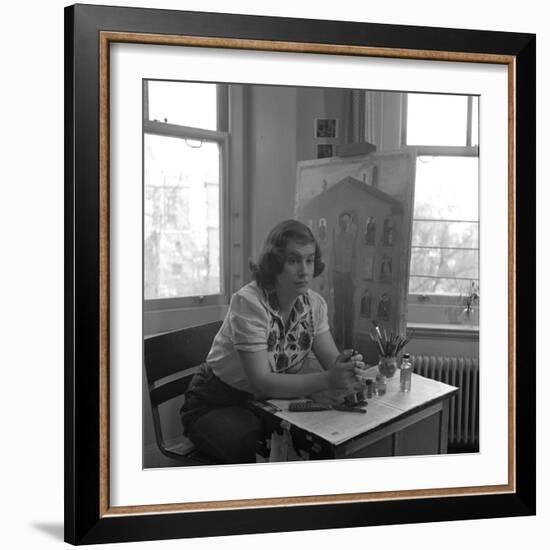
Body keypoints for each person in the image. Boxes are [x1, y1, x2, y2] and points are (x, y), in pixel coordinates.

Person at [180, 219, 364, 464]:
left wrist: (347, 367)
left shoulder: (315, 305)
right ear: (275, 263)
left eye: (309, 260)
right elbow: (262, 382)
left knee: (315, 442)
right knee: (259, 449)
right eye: (293, 260)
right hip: (216, 402)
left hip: (270, 404)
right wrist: (329, 380)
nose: (304, 271)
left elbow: (332, 362)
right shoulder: (249, 303)